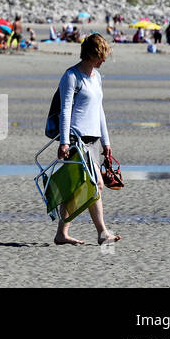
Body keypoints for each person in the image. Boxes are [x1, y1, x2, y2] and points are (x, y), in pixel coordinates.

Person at [54, 32, 120, 247]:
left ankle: (62, 233)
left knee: (76, 187)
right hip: (76, 138)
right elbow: (65, 111)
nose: (104, 60)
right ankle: (102, 232)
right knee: (96, 184)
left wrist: (106, 142)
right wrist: (64, 142)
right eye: (102, 56)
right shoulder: (71, 76)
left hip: (93, 138)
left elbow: (99, 110)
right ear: (92, 54)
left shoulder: (96, 77)